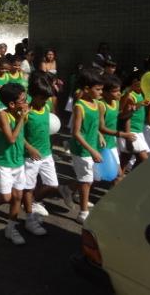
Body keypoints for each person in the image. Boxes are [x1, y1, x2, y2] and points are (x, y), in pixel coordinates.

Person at [21, 74, 69, 231]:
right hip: (30, 157)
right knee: (28, 187)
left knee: (52, 184)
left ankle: (33, 202)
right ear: (33, 95)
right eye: (42, 98)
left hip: (46, 154)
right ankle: (29, 219)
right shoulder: (26, 112)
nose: (45, 101)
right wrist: (29, 147)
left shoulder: (47, 108)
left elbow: (50, 128)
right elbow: (17, 136)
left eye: (47, 98)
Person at [0, 83, 29, 244]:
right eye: (23, 100)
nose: (26, 103)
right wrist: (21, 118)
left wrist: (29, 148)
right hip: (4, 162)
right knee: (5, 196)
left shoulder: (20, 113)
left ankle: (11, 228)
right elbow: (11, 139)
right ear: (11, 104)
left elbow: (21, 136)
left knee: (18, 196)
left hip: (18, 161)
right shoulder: (3, 116)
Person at [63, 69, 104, 224]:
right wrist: (92, 150)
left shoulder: (97, 104)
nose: (101, 92)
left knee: (88, 178)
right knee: (87, 180)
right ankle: (83, 212)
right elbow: (76, 133)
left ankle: (68, 189)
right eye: (98, 89)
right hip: (82, 149)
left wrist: (99, 134)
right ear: (87, 89)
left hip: (92, 145)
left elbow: (94, 125)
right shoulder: (79, 106)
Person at [97, 74, 135, 185]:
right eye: (115, 91)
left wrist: (129, 112)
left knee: (116, 175)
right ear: (104, 92)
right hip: (101, 144)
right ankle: (70, 189)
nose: (119, 93)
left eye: (119, 90)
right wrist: (122, 134)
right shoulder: (101, 105)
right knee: (100, 176)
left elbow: (117, 117)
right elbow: (101, 128)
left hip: (111, 143)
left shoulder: (115, 102)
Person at [118, 70, 150, 172]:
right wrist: (128, 135)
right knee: (144, 158)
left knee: (124, 160)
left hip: (138, 130)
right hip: (131, 130)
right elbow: (122, 112)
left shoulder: (142, 94)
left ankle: (119, 181)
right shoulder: (130, 95)